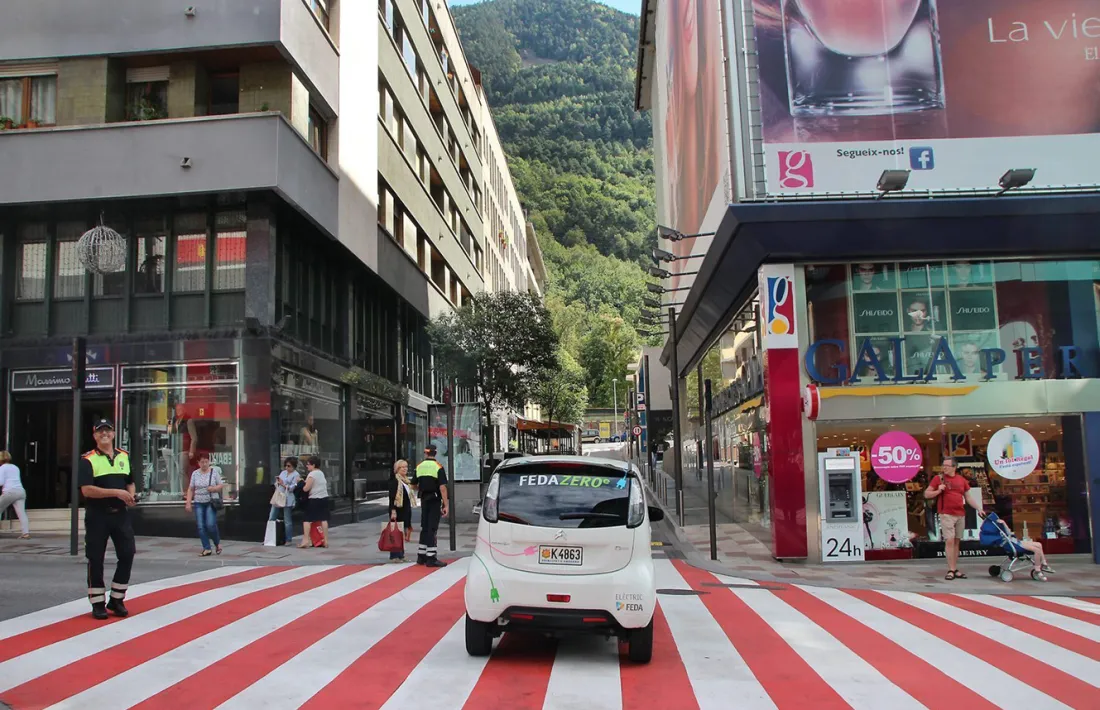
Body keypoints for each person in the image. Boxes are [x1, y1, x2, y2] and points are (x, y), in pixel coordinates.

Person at [77, 419, 137, 620]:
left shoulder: (124, 456)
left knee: (128, 553)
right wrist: (117, 492)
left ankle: (117, 599)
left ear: (113, 434)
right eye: (100, 431)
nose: (104, 434)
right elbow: (87, 490)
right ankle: (98, 603)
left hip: (120, 515)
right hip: (98, 516)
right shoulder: (87, 460)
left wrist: (130, 495)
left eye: (108, 431)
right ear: (94, 436)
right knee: (96, 558)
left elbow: (130, 481)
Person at [925, 457, 984, 580]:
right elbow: (926, 494)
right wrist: (938, 491)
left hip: (960, 514)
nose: (944, 468)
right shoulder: (938, 479)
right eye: (943, 465)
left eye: (947, 465)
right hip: (946, 514)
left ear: (954, 467)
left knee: (957, 541)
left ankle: (954, 567)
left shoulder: (961, 480)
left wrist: (978, 508)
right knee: (949, 540)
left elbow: (968, 497)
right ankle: (951, 569)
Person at [411, 444, 449, 567]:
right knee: (432, 528)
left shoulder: (419, 466)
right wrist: (446, 505)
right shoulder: (438, 467)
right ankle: (431, 557)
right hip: (434, 499)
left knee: (425, 527)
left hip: (424, 499)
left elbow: (413, 485)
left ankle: (421, 556)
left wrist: (421, 489)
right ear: (435, 453)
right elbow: (442, 488)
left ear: (425, 453)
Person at [185, 452, 224, 556]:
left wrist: (214, 488)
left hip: (211, 501)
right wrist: (188, 502)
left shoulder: (214, 472)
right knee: (201, 526)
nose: (204, 464)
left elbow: (221, 485)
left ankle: (217, 543)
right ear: (198, 463)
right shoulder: (195, 473)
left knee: (210, 524)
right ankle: (206, 548)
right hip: (199, 502)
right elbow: (191, 488)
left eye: (206, 462)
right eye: (202, 462)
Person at [388, 460, 415, 563]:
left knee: (402, 532)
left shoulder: (406, 481)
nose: (405, 469)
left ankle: (401, 555)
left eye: (406, 467)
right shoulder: (394, 481)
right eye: (402, 467)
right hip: (398, 510)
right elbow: (392, 497)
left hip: (405, 510)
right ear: (397, 469)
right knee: (396, 533)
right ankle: (394, 555)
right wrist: (393, 510)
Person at [300, 455, 329, 548]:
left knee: (307, 519)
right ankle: (325, 540)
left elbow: (306, 488)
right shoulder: (321, 473)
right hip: (324, 497)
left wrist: (301, 483)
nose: (307, 466)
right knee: (323, 519)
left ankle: (306, 541)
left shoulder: (312, 474)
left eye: (308, 464)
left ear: (313, 465)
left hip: (314, 498)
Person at [270, 457, 300, 545]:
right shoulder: (283, 472)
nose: (287, 468)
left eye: (289, 466)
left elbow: (292, 488)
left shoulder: (296, 475)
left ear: (294, 466)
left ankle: (288, 539)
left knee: (287, 520)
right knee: (272, 517)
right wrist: (278, 482)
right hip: (279, 495)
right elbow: (277, 484)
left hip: (288, 498)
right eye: (285, 466)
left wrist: (283, 484)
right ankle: (270, 537)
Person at [0, 451, 30, 538]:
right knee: (21, 513)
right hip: (20, 491)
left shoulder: (2, 468)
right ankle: (25, 533)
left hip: (10, 492)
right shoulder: (15, 467)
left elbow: (1, 482)